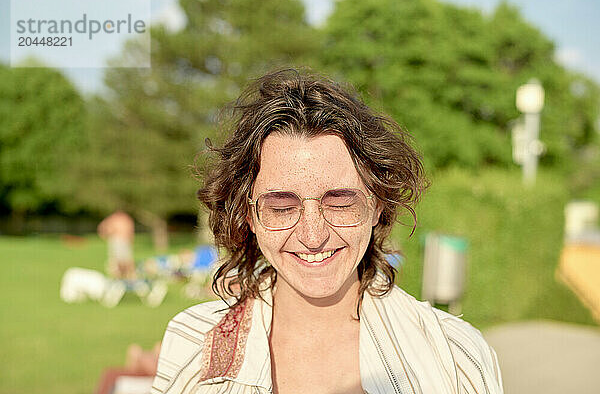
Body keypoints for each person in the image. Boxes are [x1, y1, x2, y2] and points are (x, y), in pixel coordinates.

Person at [151, 69, 503, 394]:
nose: (313, 235)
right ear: (248, 215)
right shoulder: (193, 343)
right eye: (281, 207)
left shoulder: (456, 357)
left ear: (377, 203)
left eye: (339, 201)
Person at [97, 210, 136, 280]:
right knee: (117, 261)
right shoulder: (115, 218)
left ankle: (128, 277)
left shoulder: (124, 218)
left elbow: (130, 229)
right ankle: (118, 278)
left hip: (124, 240)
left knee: (126, 260)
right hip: (117, 240)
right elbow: (102, 227)